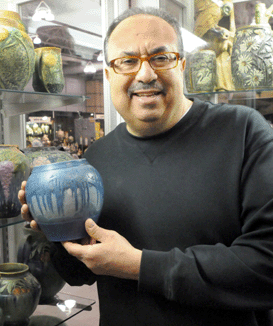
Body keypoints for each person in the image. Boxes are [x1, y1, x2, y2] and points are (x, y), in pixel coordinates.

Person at [19, 7, 273, 326]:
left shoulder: (242, 132)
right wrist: (55, 231)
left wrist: (139, 266)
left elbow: (266, 262)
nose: (144, 75)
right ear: (109, 74)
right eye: (127, 61)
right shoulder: (95, 159)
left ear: (181, 64)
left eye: (161, 57)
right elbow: (79, 274)